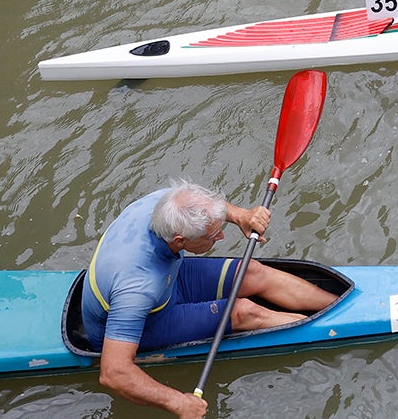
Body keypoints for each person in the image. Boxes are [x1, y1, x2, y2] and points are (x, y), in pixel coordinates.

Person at [83, 179, 340, 419]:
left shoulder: (165, 201)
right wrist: (179, 402)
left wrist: (241, 215)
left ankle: (340, 305)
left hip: (166, 279)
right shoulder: (137, 287)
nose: (221, 237)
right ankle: (335, 330)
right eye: (213, 236)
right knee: (244, 311)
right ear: (180, 240)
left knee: (252, 272)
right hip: (145, 319)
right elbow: (114, 372)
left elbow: (204, 203)